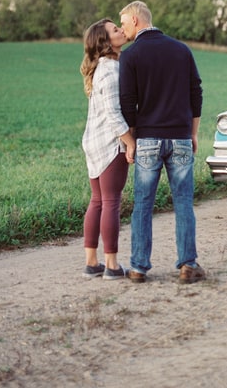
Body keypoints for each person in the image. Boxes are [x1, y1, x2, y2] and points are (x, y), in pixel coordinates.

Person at [118, 1, 206, 284]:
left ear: (134, 19)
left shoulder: (131, 56)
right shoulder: (181, 50)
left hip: (148, 140)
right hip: (180, 137)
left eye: (123, 23)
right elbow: (196, 93)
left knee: (143, 203)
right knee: (183, 202)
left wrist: (131, 140)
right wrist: (193, 133)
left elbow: (127, 103)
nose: (122, 28)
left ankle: (139, 267)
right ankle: (188, 265)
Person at [79, 18, 136, 280]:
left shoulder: (101, 68)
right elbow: (114, 115)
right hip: (110, 143)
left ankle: (92, 263)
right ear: (105, 41)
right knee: (111, 201)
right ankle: (112, 264)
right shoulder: (111, 70)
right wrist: (130, 141)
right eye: (115, 30)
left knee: (98, 201)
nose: (121, 31)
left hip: (93, 141)